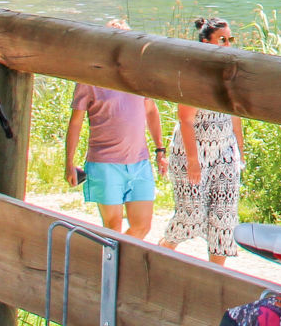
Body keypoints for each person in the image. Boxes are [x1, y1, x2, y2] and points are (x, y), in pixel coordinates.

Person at [161, 16, 246, 265]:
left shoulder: (232, 74)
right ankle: (156, 256)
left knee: (224, 220)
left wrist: (239, 150)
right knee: (191, 216)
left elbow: (235, 115)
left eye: (230, 40)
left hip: (224, 152)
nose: (227, 44)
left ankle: (215, 277)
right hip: (193, 151)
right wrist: (193, 160)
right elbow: (185, 118)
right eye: (222, 40)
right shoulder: (194, 75)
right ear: (205, 42)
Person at [64, 45, 167, 239]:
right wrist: (69, 163)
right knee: (113, 227)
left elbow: (151, 111)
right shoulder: (89, 80)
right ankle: (110, 266)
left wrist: (160, 149)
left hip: (139, 162)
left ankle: (114, 263)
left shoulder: (138, 77)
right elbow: (76, 122)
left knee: (142, 226)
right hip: (105, 163)